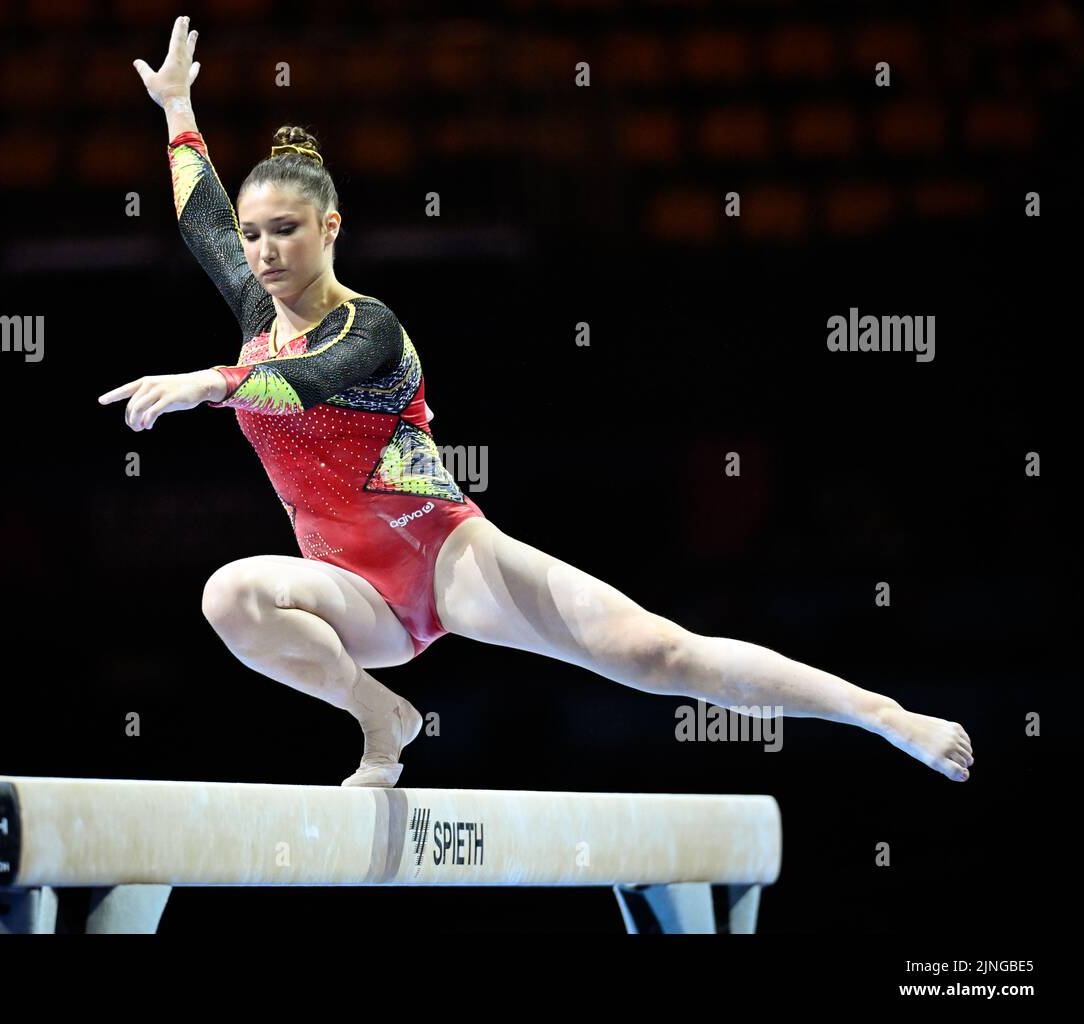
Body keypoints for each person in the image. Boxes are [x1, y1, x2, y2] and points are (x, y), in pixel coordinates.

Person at [100, 16, 974, 788]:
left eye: (284, 229)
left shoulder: (374, 329)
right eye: (255, 235)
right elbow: (204, 222)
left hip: (448, 558)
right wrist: (178, 109)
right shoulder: (256, 310)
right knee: (230, 596)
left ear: (330, 227)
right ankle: (383, 719)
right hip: (348, 593)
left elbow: (308, 382)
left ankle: (884, 715)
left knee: (658, 653)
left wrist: (209, 384)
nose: (261, 251)